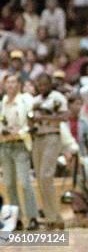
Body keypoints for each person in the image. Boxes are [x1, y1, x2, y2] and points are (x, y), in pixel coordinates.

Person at [0, 74, 39, 230]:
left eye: (13, 82)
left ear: (18, 84)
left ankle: (33, 217)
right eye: (8, 82)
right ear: (4, 85)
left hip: (21, 144)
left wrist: (20, 132)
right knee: (9, 183)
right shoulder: (2, 103)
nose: (10, 85)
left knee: (24, 182)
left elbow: (32, 121)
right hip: (4, 145)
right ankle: (17, 219)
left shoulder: (26, 100)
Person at [30, 73, 68, 229]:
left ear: (50, 84)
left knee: (46, 175)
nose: (42, 87)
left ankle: (53, 217)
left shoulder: (57, 97)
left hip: (52, 135)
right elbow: (31, 117)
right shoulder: (36, 100)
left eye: (45, 84)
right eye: (39, 85)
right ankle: (53, 217)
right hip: (37, 138)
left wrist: (45, 117)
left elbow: (65, 116)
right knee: (40, 178)